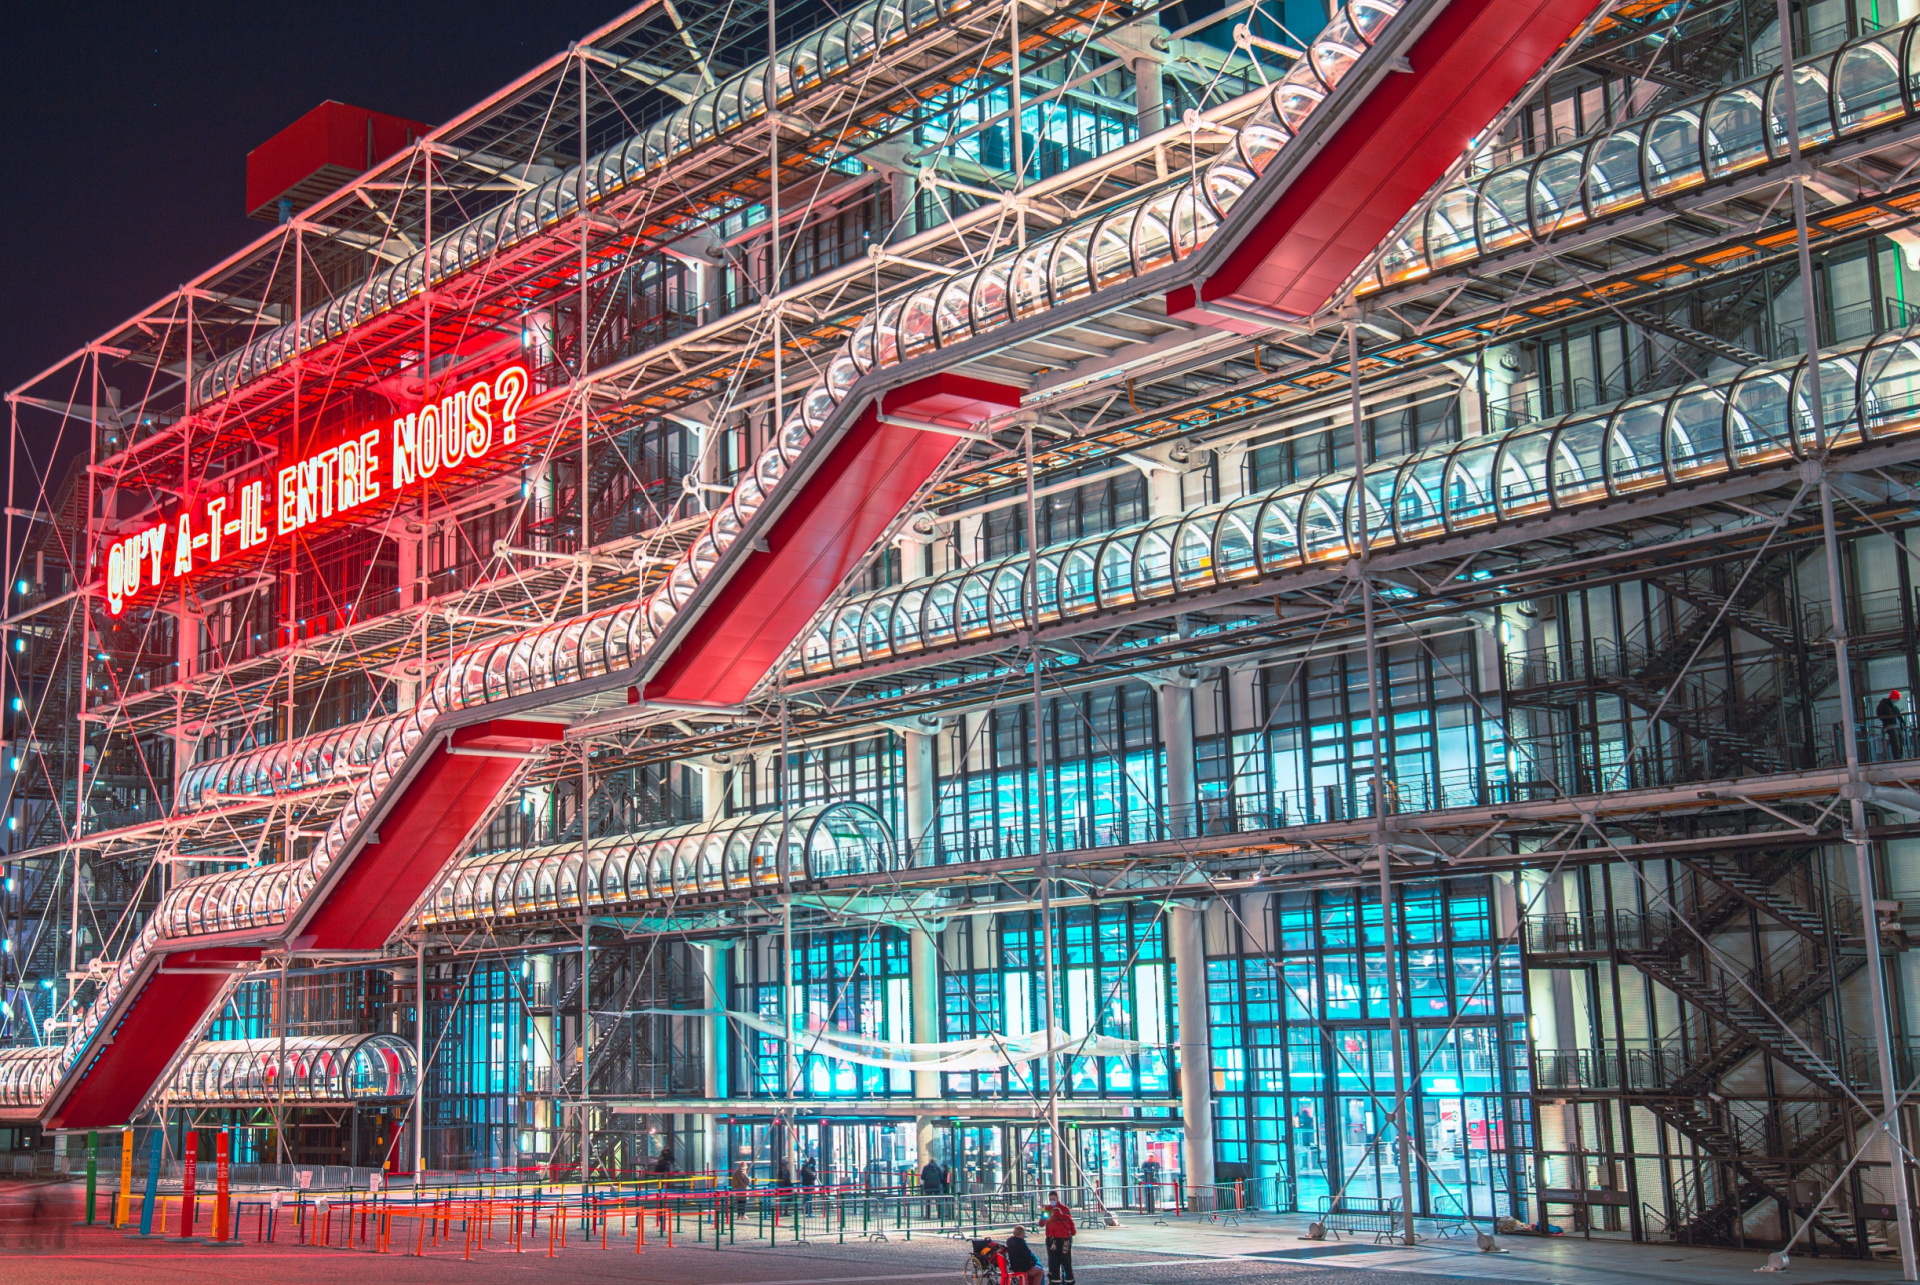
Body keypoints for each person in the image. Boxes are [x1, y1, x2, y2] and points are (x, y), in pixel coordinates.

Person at [1043, 1192, 1075, 1285]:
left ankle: (1055, 1280)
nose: (1052, 1201)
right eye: (1050, 1199)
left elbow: (1041, 1223)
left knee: (1054, 1262)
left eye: (1053, 1199)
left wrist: (1047, 1218)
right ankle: (1069, 1280)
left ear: (1057, 1198)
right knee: (1066, 1261)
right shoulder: (1065, 1212)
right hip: (1065, 1241)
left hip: (1052, 1240)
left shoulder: (1048, 1210)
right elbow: (1072, 1230)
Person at [1880, 690, 1906, 758]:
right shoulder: (1886, 705)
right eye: (1897, 699)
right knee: (1896, 743)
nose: (1897, 700)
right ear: (1894, 698)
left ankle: (1899, 757)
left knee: (1899, 743)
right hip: (1891, 726)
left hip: (1895, 726)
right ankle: (1898, 757)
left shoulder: (1890, 705)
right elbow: (1880, 715)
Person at [921, 1154, 944, 1219]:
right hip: (936, 1187)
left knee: (928, 1201)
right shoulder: (938, 1168)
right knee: (938, 1201)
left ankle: (928, 1215)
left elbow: (922, 1177)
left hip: (928, 1187)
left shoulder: (926, 1168)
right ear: (935, 1162)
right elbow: (941, 1177)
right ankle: (939, 1215)